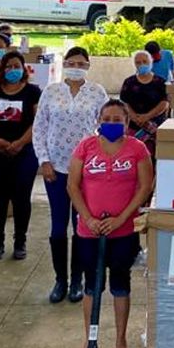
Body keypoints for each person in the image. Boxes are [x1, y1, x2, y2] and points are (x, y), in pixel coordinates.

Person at [68, 100, 154, 348]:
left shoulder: (137, 149)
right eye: (107, 118)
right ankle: (88, 343)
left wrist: (121, 218)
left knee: (120, 284)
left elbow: (144, 187)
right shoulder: (86, 147)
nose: (112, 123)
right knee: (91, 286)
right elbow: (73, 185)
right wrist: (88, 218)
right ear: (99, 121)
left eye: (118, 119)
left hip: (123, 231)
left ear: (126, 123)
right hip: (89, 231)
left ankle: (120, 342)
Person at [33, 46, 108, 303]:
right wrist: (44, 161)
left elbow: (105, 127)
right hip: (56, 169)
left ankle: (77, 279)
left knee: (81, 228)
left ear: (88, 66)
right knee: (57, 228)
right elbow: (39, 128)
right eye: (72, 62)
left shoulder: (97, 93)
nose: (76, 66)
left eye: (81, 63)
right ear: (65, 64)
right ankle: (60, 280)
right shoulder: (51, 92)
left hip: (87, 172)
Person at [0, 51, 41, 261]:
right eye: (8, 66)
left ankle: (20, 242)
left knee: (21, 199)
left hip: (24, 152)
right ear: (2, 69)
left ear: (23, 69)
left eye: (17, 66)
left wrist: (20, 143)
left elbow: (38, 121)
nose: (13, 70)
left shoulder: (33, 91)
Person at [119, 50, 170, 155]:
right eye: (138, 62)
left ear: (150, 62)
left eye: (144, 61)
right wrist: (134, 117)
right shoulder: (129, 82)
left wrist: (147, 116)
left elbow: (164, 103)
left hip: (154, 128)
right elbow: (124, 102)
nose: (142, 65)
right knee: (133, 155)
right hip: (133, 127)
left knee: (152, 157)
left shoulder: (160, 82)